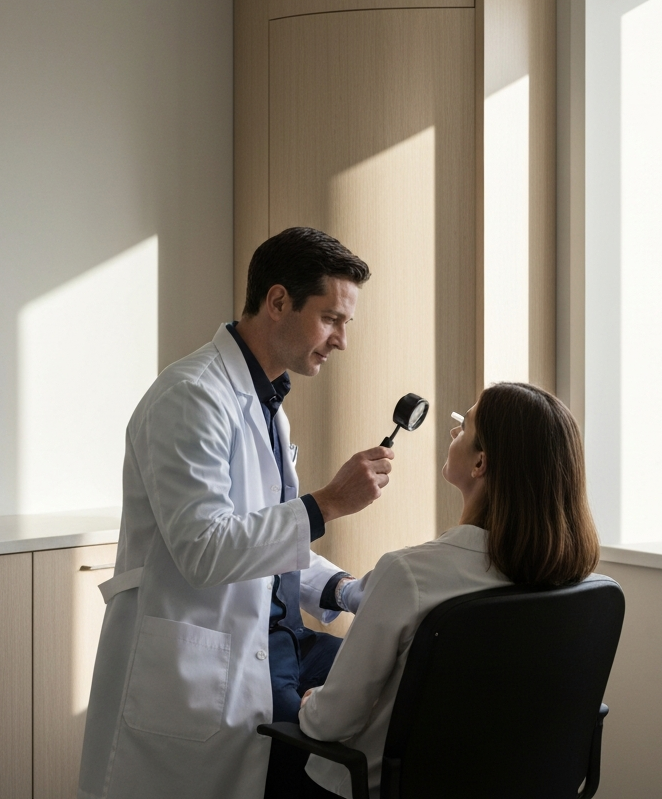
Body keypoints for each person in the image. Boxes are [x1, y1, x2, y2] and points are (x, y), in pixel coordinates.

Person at [77, 227, 393, 799]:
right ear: (277, 302)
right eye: (331, 319)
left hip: (275, 644)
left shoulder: (267, 401)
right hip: (202, 664)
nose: (342, 340)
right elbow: (205, 548)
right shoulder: (192, 396)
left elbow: (265, 545)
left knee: (388, 698)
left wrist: (343, 590)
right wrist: (328, 503)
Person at [296, 382, 601, 799]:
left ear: (480, 463)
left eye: (465, 425)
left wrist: (313, 702)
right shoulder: (580, 586)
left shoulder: (409, 574)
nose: (453, 432)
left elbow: (329, 723)